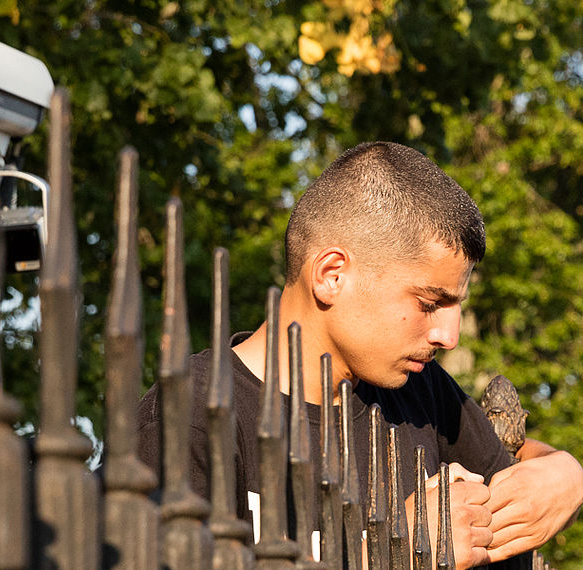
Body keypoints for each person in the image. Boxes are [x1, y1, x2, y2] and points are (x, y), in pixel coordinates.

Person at [136, 141, 583, 569]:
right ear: (332, 275)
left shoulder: (419, 391)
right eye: (429, 303)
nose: (449, 336)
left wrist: (565, 474)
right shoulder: (193, 414)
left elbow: (511, 458)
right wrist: (390, 553)